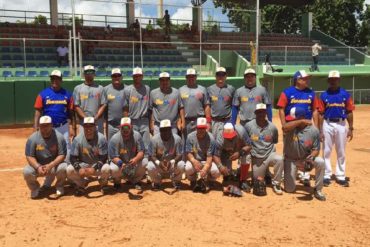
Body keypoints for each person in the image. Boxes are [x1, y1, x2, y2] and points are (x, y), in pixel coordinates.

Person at [277, 70, 320, 186]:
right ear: (298, 80)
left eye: (308, 78)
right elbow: (281, 109)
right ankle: (287, 172)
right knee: (288, 149)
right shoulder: (287, 92)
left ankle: (304, 174)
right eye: (305, 78)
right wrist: (284, 125)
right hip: (291, 126)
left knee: (308, 148)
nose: (307, 80)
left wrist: (316, 127)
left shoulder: (311, 93)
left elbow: (315, 110)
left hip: (306, 127)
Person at [317, 70, 355, 187]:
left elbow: (349, 112)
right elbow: (320, 114)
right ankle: (326, 175)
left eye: (336, 79)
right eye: (331, 79)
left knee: (341, 151)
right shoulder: (324, 95)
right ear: (328, 81)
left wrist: (351, 128)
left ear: (339, 80)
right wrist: (320, 130)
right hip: (327, 124)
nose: (334, 81)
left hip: (341, 124)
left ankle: (340, 175)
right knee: (326, 151)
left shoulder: (345, 94)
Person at [282, 106, 326, 201]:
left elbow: (316, 149)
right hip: (291, 160)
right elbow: (284, 128)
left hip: (305, 159)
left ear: (301, 116)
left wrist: (311, 157)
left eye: (294, 119)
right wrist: (300, 121)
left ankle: (318, 189)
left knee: (321, 162)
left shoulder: (314, 131)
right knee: (289, 189)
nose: (291, 121)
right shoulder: (290, 128)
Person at [33, 70, 75, 163]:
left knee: (67, 147)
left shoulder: (67, 94)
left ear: (61, 80)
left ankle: (67, 169)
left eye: (57, 79)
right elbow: (38, 111)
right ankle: (50, 171)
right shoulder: (43, 94)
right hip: (48, 127)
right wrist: (35, 126)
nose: (55, 80)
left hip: (63, 126)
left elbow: (71, 112)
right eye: (53, 78)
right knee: (48, 148)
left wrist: (72, 126)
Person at [23, 116, 67, 199]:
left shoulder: (59, 137)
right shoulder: (33, 138)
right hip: (39, 166)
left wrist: (51, 165)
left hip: (53, 166)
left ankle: (60, 186)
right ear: (39, 126)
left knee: (64, 167)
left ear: (51, 125)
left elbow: (62, 155)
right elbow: (29, 156)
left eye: (47, 125)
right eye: (43, 125)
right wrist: (38, 167)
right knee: (27, 172)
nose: (45, 128)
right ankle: (35, 188)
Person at [244, 104, 284, 196]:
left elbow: (274, 141)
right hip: (257, 158)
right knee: (257, 181)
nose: (261, 114)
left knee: (279, 159)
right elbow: (245, 141)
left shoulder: (272, 127)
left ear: (266, 113)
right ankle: (266, 172)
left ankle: (276, 184)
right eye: (259, 112)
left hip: (269, 155)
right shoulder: (248, 126)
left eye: (263, 112)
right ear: (256, 113)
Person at [66, 117, 111, 196]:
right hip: (83, 164)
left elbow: (104, 157)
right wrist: (79, 168)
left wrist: (94, 168)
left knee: (107, 168)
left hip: (96, 164)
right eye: (86, 126)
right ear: (83, 127)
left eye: (91, 126)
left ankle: (103, 183)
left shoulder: (101, 138)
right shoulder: (77, 139)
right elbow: (72, 157)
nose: (88, 129)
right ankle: (81, 184)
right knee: (69, 170)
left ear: (95, 127)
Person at [109, 118, 147, 191]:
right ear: (120, 128)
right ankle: (117, 182)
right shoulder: (115, 138)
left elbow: (141, 151)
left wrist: (136, 159)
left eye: (127, 127)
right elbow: (113, 157)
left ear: (131, 127)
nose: (125, 130)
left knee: (145, 162)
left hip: (133, 163)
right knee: (113, 168)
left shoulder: (137, 135)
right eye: (123, 128)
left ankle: (136, 181)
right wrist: (121, 164)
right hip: (121, 163)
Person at [146, 119, 185, 190]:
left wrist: (172, 161)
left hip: (172, 165)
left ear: (171, 129)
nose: (166, 132)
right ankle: (157, 182)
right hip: (159, 166)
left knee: (181, 164)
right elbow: (151, 155)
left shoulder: (177, 139)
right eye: (163, 130)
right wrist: (159, 163)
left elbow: (180, 154)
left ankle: (176, 181)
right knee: (149, 166)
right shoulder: (154, 139)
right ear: (160, 130)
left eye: (167, 129)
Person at [213, 123, 252, 191]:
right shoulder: (220, 137)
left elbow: (249, 145)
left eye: (231, 136)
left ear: (235, 131)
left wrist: (240, 153)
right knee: (227, 172)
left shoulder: (241, 131)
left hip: (239, 149)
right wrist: (220, 166)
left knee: (247, 155)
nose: (230, 138)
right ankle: (227, 176)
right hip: (226, 153)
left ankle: (243, 180)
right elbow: (216, 154)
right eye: (228, 137)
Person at [185, 117, 219, 192]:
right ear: (196, 128)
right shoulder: (190, 137)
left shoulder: (211, 138)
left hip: (206, 161)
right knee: (188, 167)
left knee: (216, 170)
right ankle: (193, 181)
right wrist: (193, 161)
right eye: (199, 128)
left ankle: (210, 181)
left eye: (203, 128)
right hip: (195, 160)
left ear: (206, 128)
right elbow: (189, 153)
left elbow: (209, 157)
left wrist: (204, 169)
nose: (201, 130)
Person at [73, 65, 107, 134]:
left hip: (97, 122)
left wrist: (96, 117)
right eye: (87, 72)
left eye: (91, 72)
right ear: (84, 74)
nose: (89, 74)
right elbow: (76, 106)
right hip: (83, 122)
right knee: (83, 142)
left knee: (98, 142)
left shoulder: (100, 88)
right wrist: (86, 119)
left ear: (94, 74)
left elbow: (103, 105)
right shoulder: (78, 88)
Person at [123, 67, 151, 152]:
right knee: (134, 144)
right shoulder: (127, 90)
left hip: (144, 121)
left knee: (146, 144)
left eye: (139, 76)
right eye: (135, 76)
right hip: (133, 121)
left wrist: (150, 122)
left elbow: (150, 108)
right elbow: (125, 108)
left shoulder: (147, 89)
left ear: (142, 76)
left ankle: (146, 162)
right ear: (133, 77)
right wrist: (127, 122)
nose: (137, 77)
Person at [179, 68, 210, 141]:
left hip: (199, 120)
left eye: (192, 76)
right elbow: (179, 108)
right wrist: (180, 121)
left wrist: (208, 122)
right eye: (189, 77)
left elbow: (207, 106)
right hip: (186, 122)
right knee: (185, 143)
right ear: (186, 78)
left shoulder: (202, 89)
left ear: (196, 77)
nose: (191, 78)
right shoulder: (180, 90)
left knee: (199, 142)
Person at [207, 67, 235, 139]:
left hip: (227, 121)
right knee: (214, 143)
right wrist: (208, 122)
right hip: (214, 121)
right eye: (218, 75)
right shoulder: (210, 89)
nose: (220, 77)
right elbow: (208, 107)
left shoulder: (231, 89)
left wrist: (233, 121)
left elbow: (234, 106)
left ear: (226, 76)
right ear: (215, 76)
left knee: (227, 142)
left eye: (223, 75)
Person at [103, 68, 126, 140]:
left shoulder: (127, 89)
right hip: (111, 125)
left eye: (118, 75)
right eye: (114, 76)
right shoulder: (106, 89)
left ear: (122, 77)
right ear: (111, 77)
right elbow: (104, 108)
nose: (116, 77)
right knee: (111, 146)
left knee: (124, 146)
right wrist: (105, 123)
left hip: (124, 124)